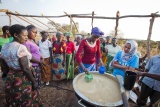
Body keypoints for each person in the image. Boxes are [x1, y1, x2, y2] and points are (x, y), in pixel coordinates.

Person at [1, 24, 43, 106]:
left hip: (11, 77)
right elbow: (25, 69)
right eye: (24, 35)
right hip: (23, 78)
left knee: (14, 96)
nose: (26, 37)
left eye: (27, 35)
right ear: (16, 35)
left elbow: (3, 64)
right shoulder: (20, 48)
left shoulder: (5, 47)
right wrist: (34, 82)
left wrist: (7, 73)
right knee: (26, 98)